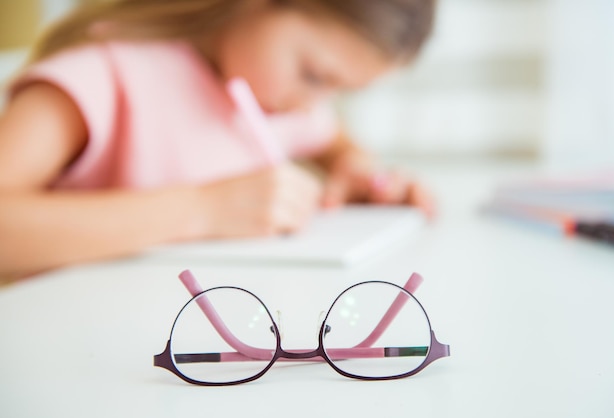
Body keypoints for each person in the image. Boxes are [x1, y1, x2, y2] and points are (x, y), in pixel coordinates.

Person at [0, 0, 436, 278]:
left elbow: (333, 140)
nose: (312, 105)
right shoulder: (100, 76)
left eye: (337, 90)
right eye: (315, 76)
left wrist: (356, 168)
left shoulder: (271, 98)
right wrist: (202, 210)